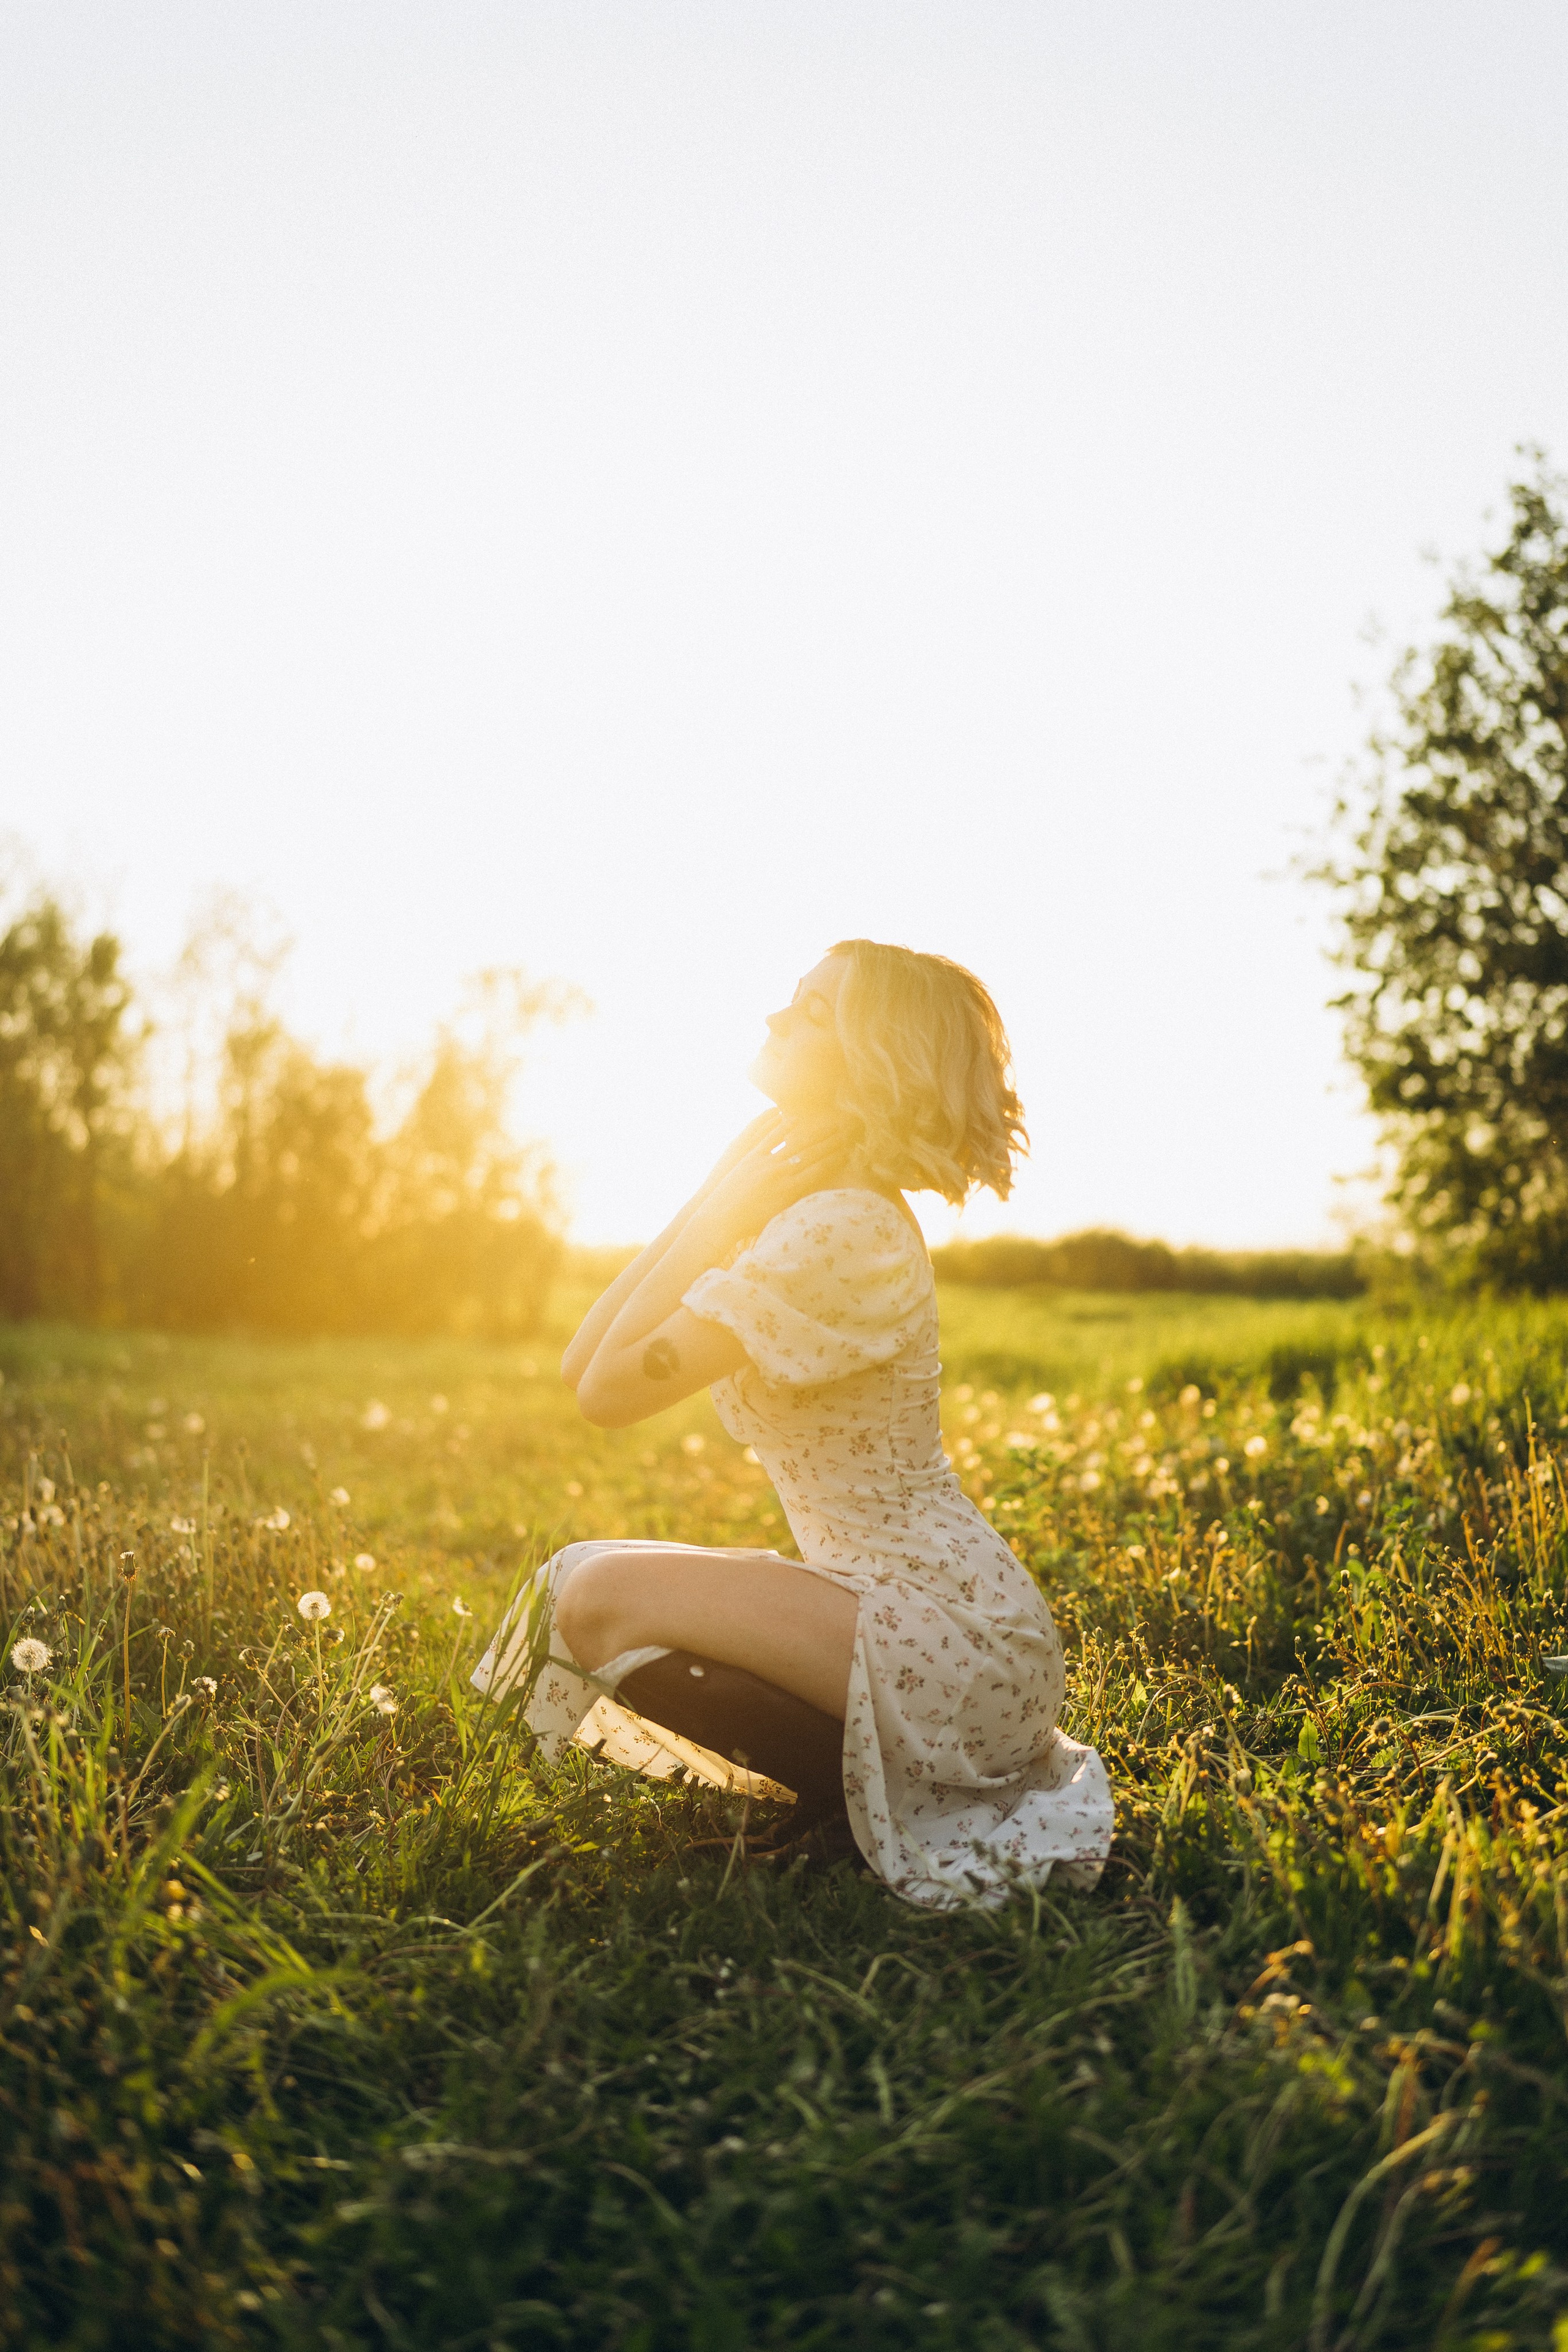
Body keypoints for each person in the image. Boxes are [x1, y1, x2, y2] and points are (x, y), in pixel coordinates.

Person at [470, 938, 1114, 1908]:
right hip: (893, 1605)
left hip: (953, 1633)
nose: (776, 1017)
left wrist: (728, 1200)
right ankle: (849, 1804)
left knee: (596, 1597)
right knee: (571, 1574)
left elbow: (607, 1394)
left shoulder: (841, 1230)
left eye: (811, 1011)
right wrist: (721, 1192)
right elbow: (582, 1366)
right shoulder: (808, 1215)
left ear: (871, 1057)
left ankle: (862, 1813)